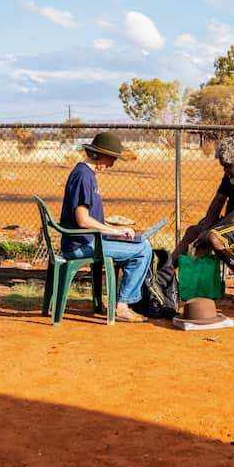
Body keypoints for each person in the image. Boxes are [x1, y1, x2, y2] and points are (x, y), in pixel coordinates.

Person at [59, 131, 151, 323]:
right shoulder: (83, 176)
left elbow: (93, 219)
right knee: (143, 250)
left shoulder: (86, 174)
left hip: (86, 240)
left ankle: (121, 301)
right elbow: (83, 220)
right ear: (98, 154)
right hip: (81, 245)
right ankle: (122, 306)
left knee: (139, 244)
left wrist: (116, 229)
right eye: (111, 158)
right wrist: (114, 231)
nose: (112, 164)